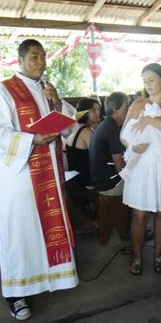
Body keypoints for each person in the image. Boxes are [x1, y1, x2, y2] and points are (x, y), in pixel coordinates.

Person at [0, 39, 78, 320]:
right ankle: (16, 293)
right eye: (34, 57)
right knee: (20, 234)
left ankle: (52, 277)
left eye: (43, 57)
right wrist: (33, 138)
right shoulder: (4, 90)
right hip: (22, 177)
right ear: (21, 59)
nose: (41, 62)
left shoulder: (47, 90)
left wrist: (58, 101)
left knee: (44, 230)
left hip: (49, 171)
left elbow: (68, 127)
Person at [121, 63, 161, 275]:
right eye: (145, 81)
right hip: (143, 164)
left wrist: (150, 120)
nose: (148, 85)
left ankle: (158, 255)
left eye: (151, 80)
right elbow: (123, 135)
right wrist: (132, 145)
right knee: (139, 214)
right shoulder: (138, 104)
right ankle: (138, 257)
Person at [119, 98, 161, 181]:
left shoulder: (153, 109)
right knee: (139, 152)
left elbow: (142, 113)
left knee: (137, 152)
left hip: (135, 130)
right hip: (144, 136)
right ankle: (127, 170)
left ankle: (127, 169)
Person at [65, 97, 101, 233]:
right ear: (85, 113)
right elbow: (100, 158)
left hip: (76, 178)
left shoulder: (77, 130)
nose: (98, 112)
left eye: (98, 109)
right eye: (94, 110)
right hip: (85, 179)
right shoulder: (86, 132)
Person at [89, 92, 129, 197]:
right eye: (126, 107)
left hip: (100, 181)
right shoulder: (112, 130)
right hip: (110, 185)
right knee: (142, 184)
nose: (129, 110)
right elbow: (119, 166)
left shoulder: (106, 124)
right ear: (115, 109)